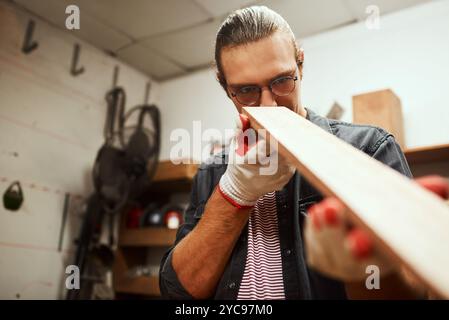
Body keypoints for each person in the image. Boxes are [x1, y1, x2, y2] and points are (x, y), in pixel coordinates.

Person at [159, 5, 449, 299]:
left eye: (281, 81)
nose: (269, 105)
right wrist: (233, 193)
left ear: (300, 65)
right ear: (225, 87)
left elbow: (415, 293)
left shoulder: (367, 149)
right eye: (246, 90)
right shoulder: (212, 172)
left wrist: (365, 268)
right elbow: (176, 292)